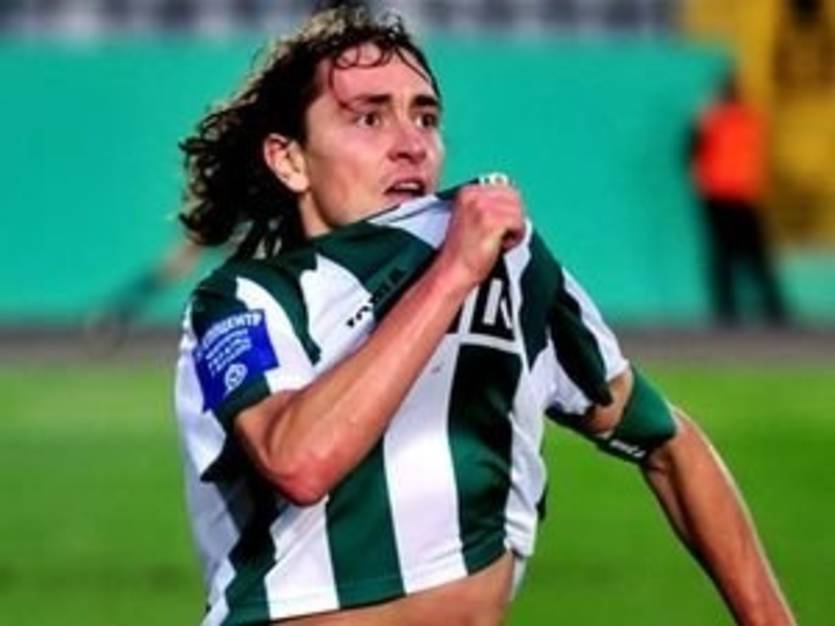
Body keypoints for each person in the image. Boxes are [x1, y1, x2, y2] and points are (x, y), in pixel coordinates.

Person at [173, 7, 797, 626]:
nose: (411, 145)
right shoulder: (242, 301)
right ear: (289, 160)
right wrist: (451, 276)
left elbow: (668, 444)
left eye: (426, 117)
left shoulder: (506, 261)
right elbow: (298, 461)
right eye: (369, 117)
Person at [689, 74, 789, 326]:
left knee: (728, 256)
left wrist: (701, 120)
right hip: (739, 194)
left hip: (721, 195)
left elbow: (691, 152)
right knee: (753, 257)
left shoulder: (714, 118)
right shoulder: (749, 118)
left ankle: (730, 310)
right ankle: (771, 309)